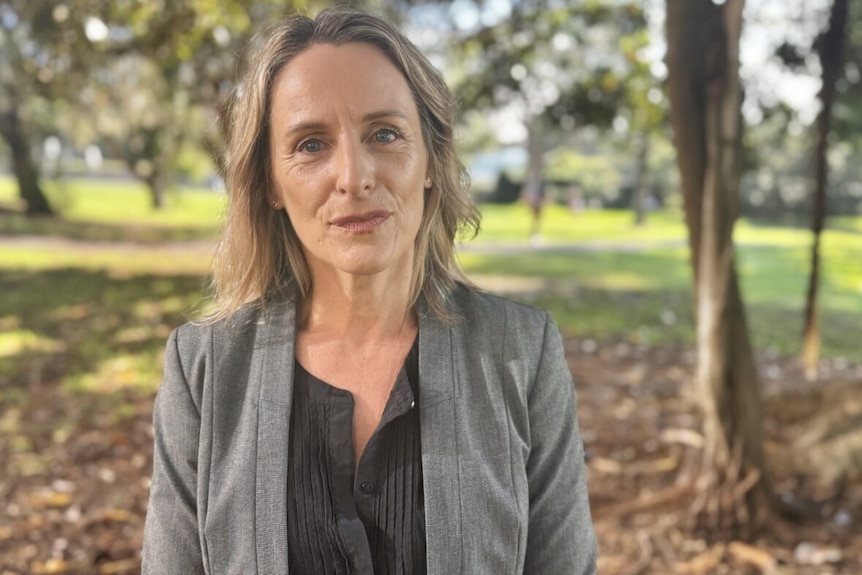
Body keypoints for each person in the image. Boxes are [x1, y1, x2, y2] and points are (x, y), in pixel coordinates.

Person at [142, 8, 596, 574]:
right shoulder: (204, 370)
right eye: (311, 144)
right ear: (271, 183)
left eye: (384, 134)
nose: (353, 177)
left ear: (430, 161)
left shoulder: (522, 353)